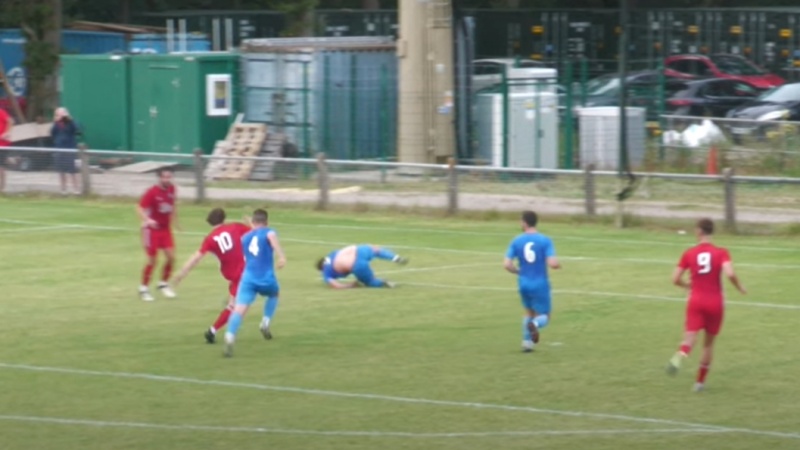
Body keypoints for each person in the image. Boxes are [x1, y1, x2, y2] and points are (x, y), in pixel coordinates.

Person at [666, 218, 746, 392]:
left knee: (689, 339)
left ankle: (680, 355)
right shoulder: (721, 252)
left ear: (699, 232)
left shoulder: (689, 253)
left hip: (696, 300)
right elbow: (730, 273)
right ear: (711, 232)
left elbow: (674, 279)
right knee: (708, 344)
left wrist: (687, 286)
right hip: (715, 302)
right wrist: (739, 286)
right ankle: (699, 383)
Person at [170, 207, 251, 344]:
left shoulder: (210, 239)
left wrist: (181, 273)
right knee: (238, 305)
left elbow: (196, 258)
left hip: (229, 273)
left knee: (234, 302)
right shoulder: (235, 227)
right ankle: (223, 333)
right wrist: (249, 222)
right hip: (243, 270)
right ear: (224, 218)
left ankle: (213, 331)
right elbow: (256, 232)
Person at [224, 209, 286, 358]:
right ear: (267, 222)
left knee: (239, 309)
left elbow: (253, 240)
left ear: (253, 223)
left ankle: (230, 335)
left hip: (248, 278)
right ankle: (265, 321)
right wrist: (281, 256)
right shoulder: (269, 231)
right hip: (265, 277)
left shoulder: (245, 237)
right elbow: (270, 236)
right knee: (275, 294)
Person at [503, 210, 561, 353]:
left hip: (524, 283)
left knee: (528, 312)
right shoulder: (545, 240)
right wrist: (558, 265)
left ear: (524, 222)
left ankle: (527, 343)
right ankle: (535, 324)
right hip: (540, 283)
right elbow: (552, 263)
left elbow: (507, 264)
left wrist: (517, 271)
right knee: (545, 316)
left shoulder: (516, 241)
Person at [136, 168, 179, 301]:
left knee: (171, 257)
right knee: (153, 260)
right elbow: (139, 208)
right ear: (159, 178)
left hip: (165, 229)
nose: (167, 179)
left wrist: (176, 221)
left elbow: (173, 205)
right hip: (152, 230)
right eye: (164, 177)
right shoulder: (152, 192)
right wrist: (147, 220)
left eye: (169, 177)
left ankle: (163, 284)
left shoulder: (172, 189)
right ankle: (143, 288)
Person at [316, 245, 408, 289]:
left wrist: (350, 285)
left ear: (322, 268)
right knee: (376, 250)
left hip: (356, 264)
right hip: (359, 249)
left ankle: (382, 282)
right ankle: (395, 257)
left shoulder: (326, 271)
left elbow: (336, 286)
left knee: (370, 282)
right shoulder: (332, 254)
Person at [51, 107, 81, 195]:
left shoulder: (71, 123)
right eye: (58, 114)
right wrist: (55, 121)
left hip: (69, 148)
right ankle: (63, 189)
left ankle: (76, 189)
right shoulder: (56, 125)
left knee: (72, 170)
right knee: (61, 170)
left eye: (61, 114)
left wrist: (69, 119)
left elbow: (76, 129)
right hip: (59, 149)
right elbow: (52, 134)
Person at [0, 106, 14, 193]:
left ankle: (2, 188)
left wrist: (7, 132)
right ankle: (12, 159)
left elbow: (11, 121)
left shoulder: (1, 112)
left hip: (3, 145)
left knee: (0, 166)